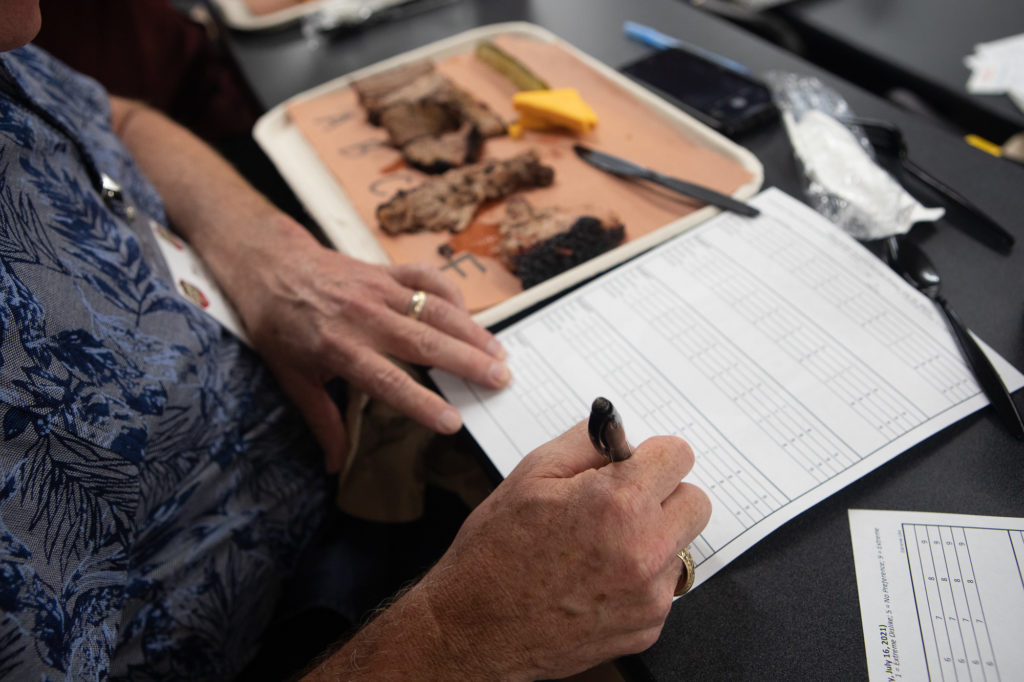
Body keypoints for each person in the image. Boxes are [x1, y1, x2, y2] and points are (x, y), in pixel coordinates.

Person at [0, 2, 711, 679]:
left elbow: (114, 116)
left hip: (333, 465)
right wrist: (460, 633)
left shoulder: (13, 43)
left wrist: (264, 248)